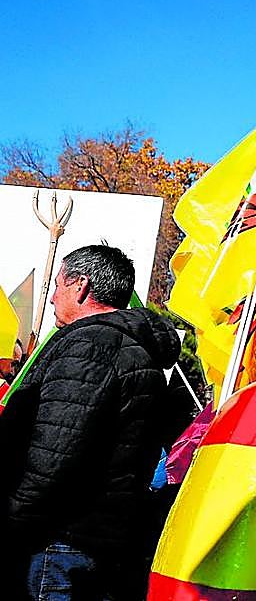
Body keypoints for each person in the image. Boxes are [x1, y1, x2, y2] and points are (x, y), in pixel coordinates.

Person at [0, 245, 183, 600]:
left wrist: (11, 518)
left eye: (57, 285)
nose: (52, 298)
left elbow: (53, 453)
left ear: (80, 286)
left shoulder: (92, 344)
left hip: (59, 539)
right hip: (99, 537)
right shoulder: (131, 348)